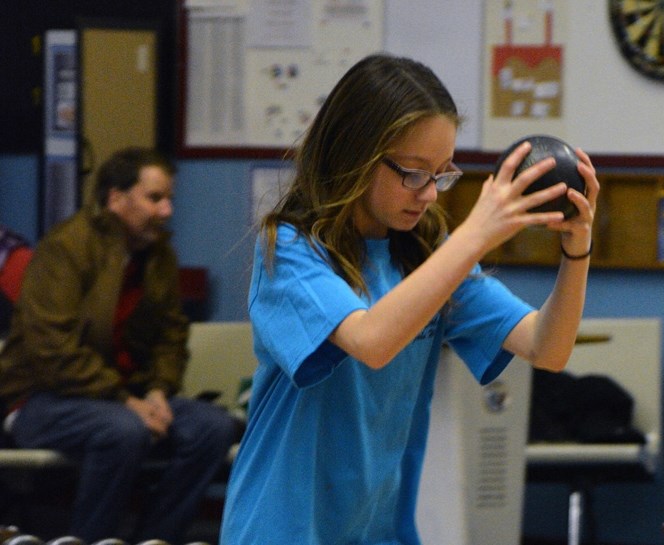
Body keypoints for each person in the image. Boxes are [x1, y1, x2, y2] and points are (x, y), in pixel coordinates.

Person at [220, 53, 599, 545]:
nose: (429, 194)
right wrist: (477, 235)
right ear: (355, 154)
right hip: (281, 531)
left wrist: (577, 248)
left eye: (442, 174)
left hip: (378, 532)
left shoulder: (427, 255)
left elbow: (549, 348)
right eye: (413, 172)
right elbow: (373, 341)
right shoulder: (290, 252)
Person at [0, 147, 237, 543]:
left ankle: (158, 538)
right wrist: (127, 401)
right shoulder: (65, 248)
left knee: (212, 427)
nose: (166, 211)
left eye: (169, 199)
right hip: (39, 399)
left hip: (126, 396)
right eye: (154, 198)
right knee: (124, 430)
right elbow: (51, 349)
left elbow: (170, 334)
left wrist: (160, 390)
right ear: (115, 198)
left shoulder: (158, 254)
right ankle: (91, 540)